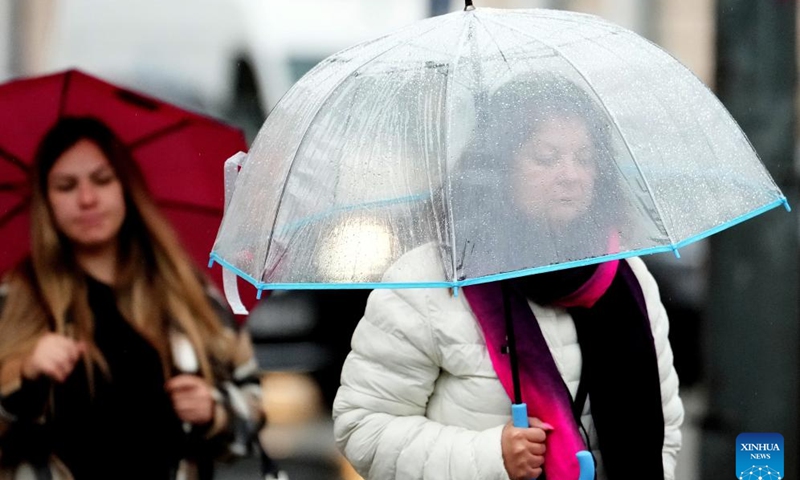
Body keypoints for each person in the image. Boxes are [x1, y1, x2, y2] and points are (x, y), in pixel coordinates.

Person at [332, 74, 684, 480]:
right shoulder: (429, 281)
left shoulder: (626, 278)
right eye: (546, 158)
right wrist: (491, 456)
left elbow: (665, 430)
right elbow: (362, 426)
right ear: (499, 167)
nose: (571, 175)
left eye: (585, 158)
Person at [0, 117, 264, 480]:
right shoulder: (15, 300)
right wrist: (23, 377)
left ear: (126, 187)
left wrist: (214, 411)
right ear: (46, 200)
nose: (87, 199)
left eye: (102, 180)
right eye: (66, 186)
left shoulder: (185, 293)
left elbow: (253, 411)